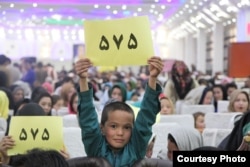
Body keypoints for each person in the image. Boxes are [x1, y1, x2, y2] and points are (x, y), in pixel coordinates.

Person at [75, 56, 163, 167]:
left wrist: (153, 78)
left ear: (133, 129)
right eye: (113, 126)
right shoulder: (96, 147)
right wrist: (83, 79)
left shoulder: (136, 148)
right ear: (102, 128)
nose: (120, 133)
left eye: (127, 127)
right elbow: (88, 120)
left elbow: (146, 117)